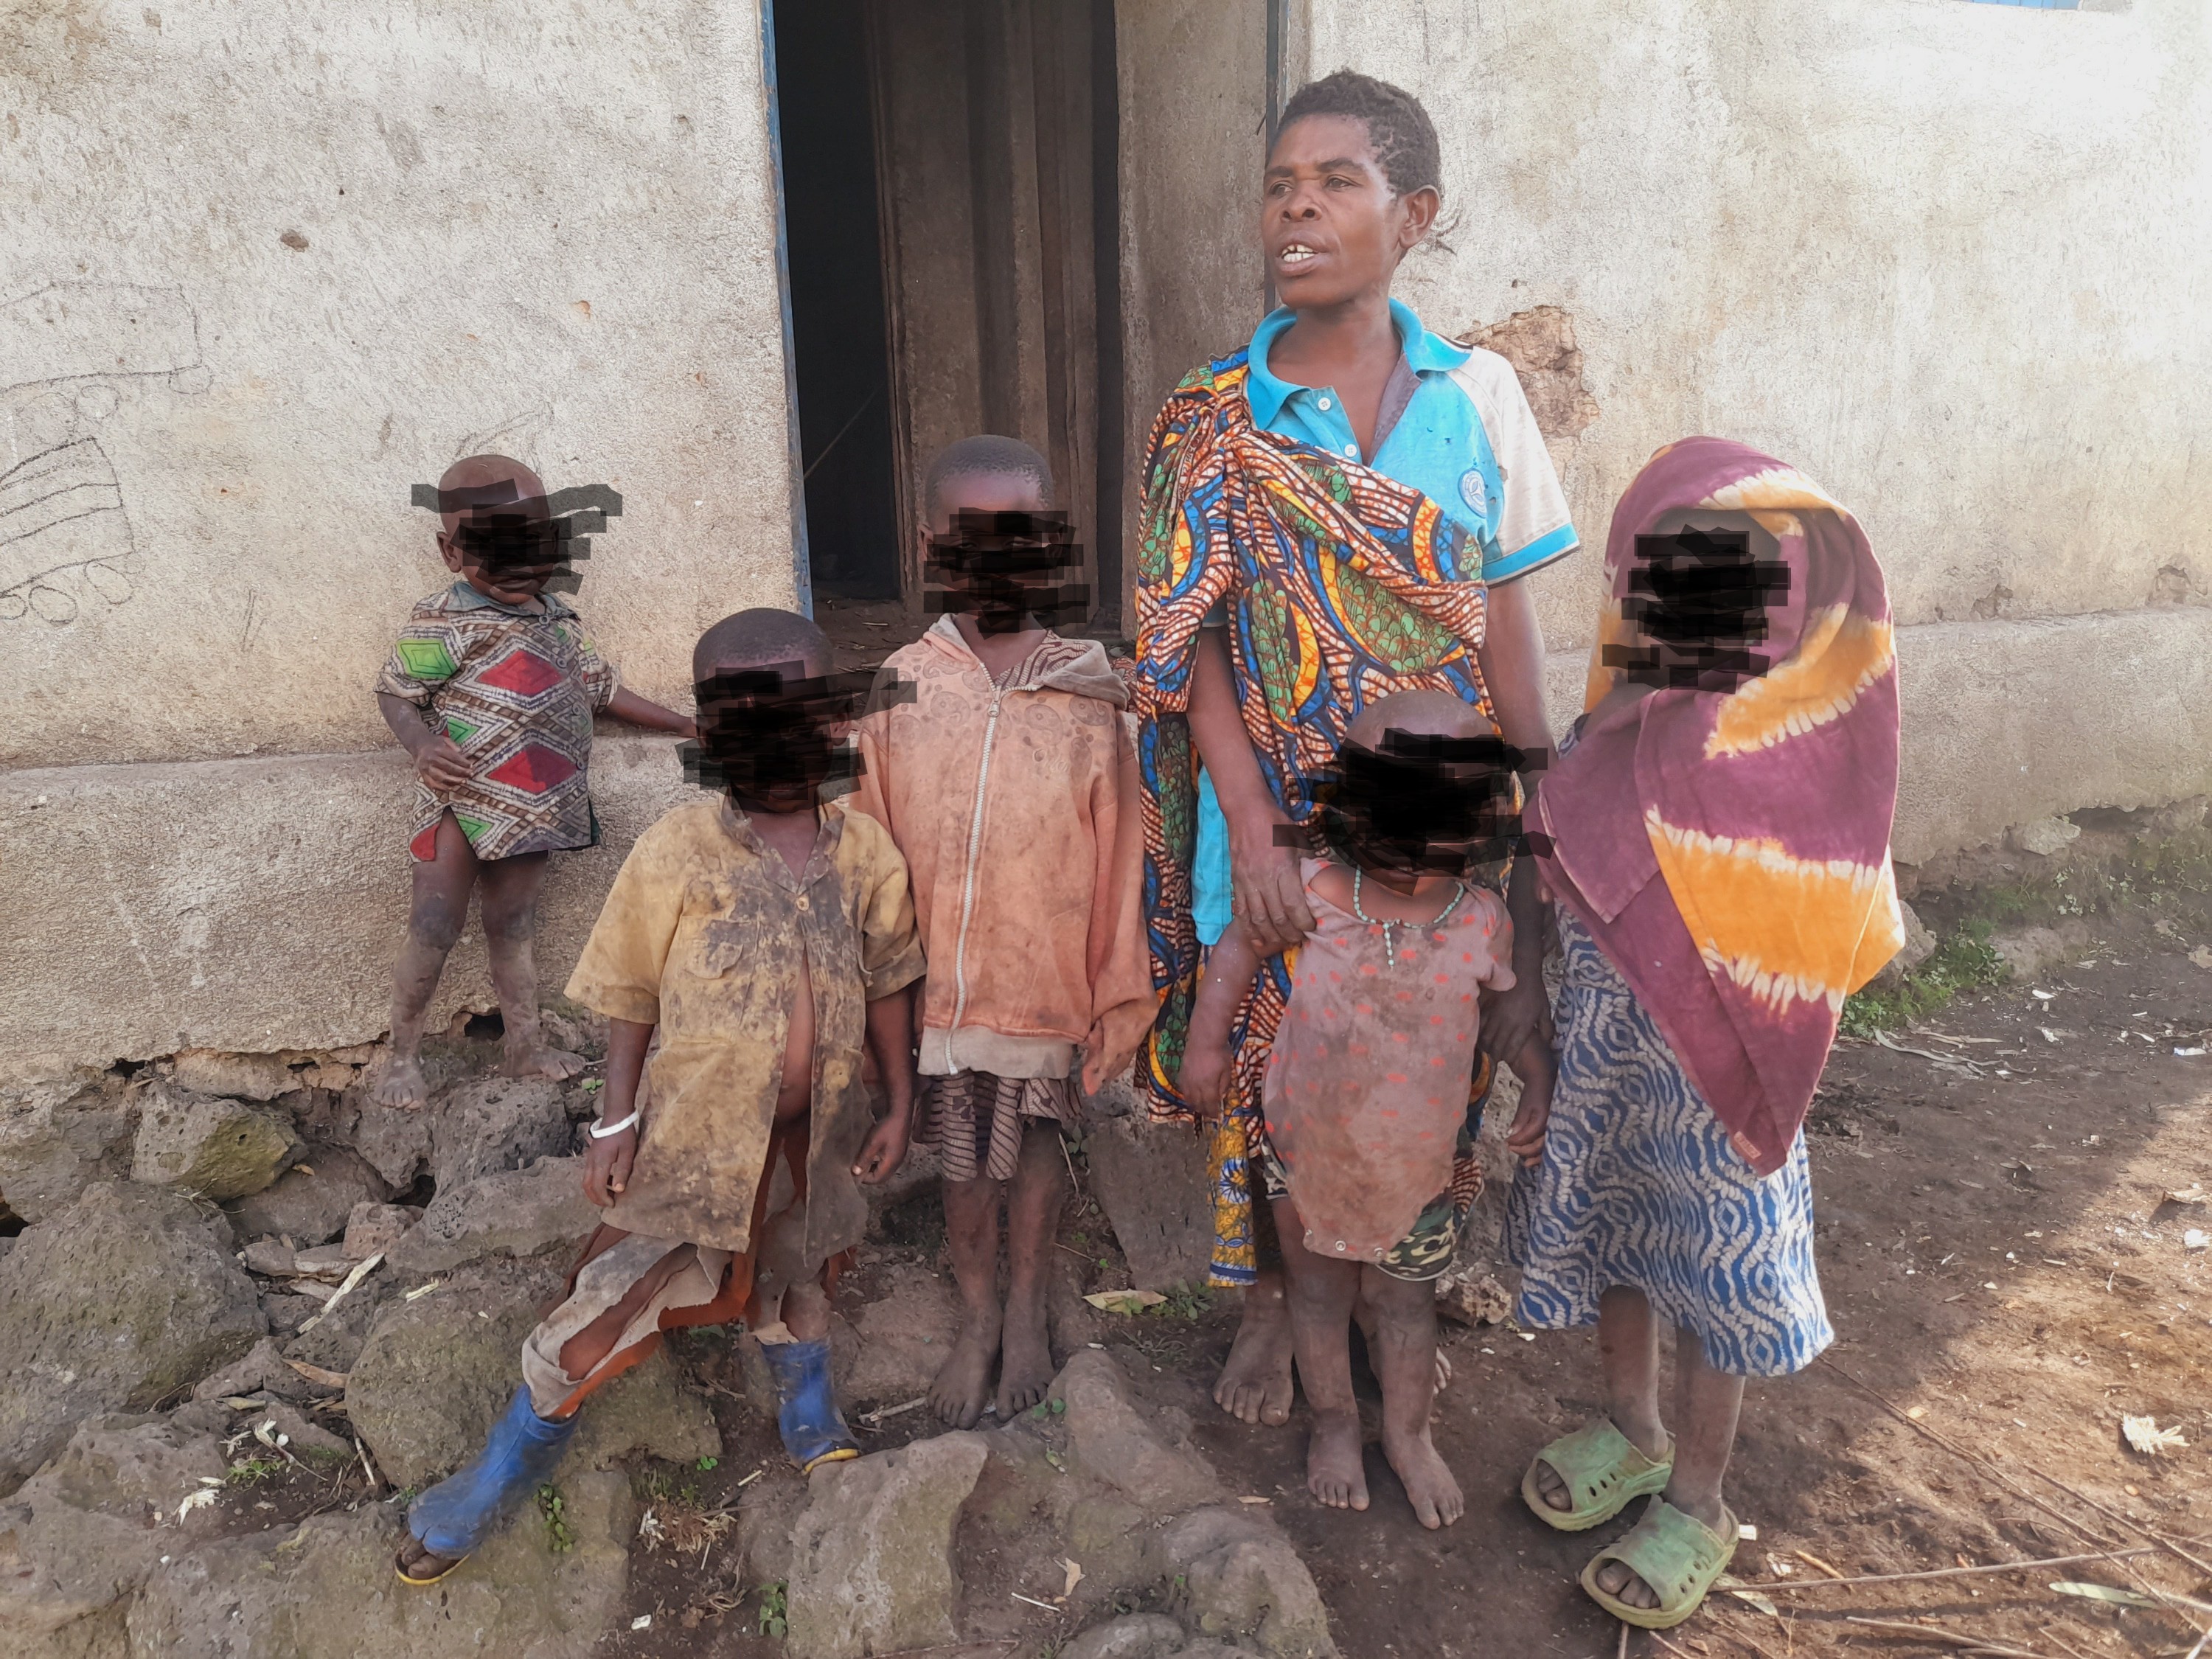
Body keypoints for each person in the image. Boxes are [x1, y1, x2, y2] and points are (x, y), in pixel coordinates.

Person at [1130, 69, 1578, 1427]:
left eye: (1336, 183)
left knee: (1423, 1041)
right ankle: (1279, 1294)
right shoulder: (1210, 415)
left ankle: (1399, 1273)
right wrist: (1252, 822)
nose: (1298, 209)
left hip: (1438, 813)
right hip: (1275, 798)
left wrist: (1535, 827)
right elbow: (1192, 636)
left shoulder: (1481, 395)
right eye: (1280, 186)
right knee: (1278, 1051)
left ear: (1414, 214)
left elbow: (1504, 616)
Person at [394, 608, 925, 1587]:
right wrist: (616, 1120)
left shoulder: (867, 854)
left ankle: (804, 1393)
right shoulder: (677, 851)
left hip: (815, 1135)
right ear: (710, 737)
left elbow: (891, 981)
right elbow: (630, 995)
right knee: (611, 1292)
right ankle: (508, 1459)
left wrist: (898, 1101)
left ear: (835, 726)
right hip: (693, 1140)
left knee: (805, 1260)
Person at [1510, 439, 1903, 1627]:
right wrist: (1530, 998)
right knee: (1621, 1240)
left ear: (1791, 600)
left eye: (1734, 582)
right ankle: (1632, 1427)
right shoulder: (1603, 730)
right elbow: (1551, 860)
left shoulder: (1802, 760)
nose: (1698, 605)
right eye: (1670, 578)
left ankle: (1700, 1494)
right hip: (1609, 1064)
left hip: (1722, 1086)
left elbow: (1848, 916)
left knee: (1716, 1275)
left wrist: (1769, 1005)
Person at [1180, 691, 1555, 1528]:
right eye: (1386, 820)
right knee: (1315, 1299)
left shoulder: (1480, 922)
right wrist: (1206, 1046)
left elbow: (1507, 1021)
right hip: (1306, 1160)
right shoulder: (1315, 892)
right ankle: (1337, 1423)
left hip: (1416, 1176)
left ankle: (1409, 1436)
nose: (1405, 849)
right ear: (1349, 810)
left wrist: (1540, 1080)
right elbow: (1240, 945)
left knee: (1405, 1308)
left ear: (1473, 827)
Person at [849, 435, 1152, 1427]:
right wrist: (878, 990)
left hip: (1045, 979)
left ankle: (1028, 1308)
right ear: (929, 546)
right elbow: (870, 845)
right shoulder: (902, 685)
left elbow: (1120, 854)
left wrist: (1114, 986)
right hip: (940, 986)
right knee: (962, 1162)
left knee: (1034, 1147)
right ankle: (978, 1314)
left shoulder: (1089, 695)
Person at [372, 453, 695, 1108]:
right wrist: (423, 746)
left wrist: (687, 724)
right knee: (433, 924)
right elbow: (395, 693)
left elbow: (604, 691)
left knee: (514, 924)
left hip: (534, 804)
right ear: (450, 551)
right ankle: (401, 1059)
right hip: (459, 801)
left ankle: (525, 1045)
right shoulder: (444, 619)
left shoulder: (560, 623)